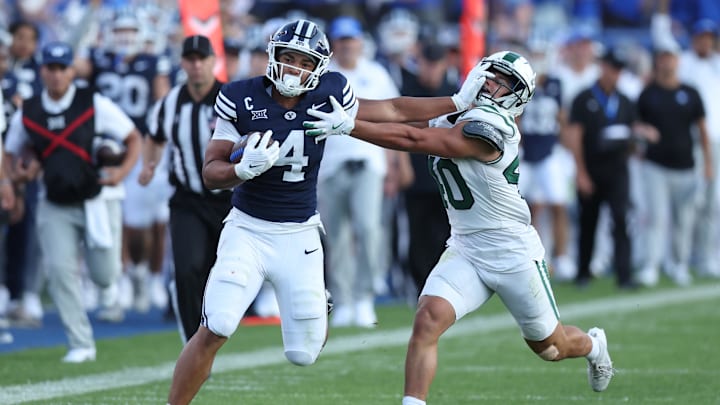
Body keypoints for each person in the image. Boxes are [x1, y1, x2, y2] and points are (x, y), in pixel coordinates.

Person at [166, 18, 488, 404]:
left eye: (304, 62)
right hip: (248, 229)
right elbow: (211, 172)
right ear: (273, 57)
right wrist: (240, 169)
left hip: (299, 233)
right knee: (216, 325)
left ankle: (321, 300)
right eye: (288, 58)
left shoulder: (329, 92)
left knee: (304, 353)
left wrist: (457, 102)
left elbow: (393, 108)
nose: (295, 69)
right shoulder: (240, 96)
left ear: (319, 66)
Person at [304, 50, 615, 404]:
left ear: (518, 97)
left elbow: (415, 140)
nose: (494, 85)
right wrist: (343, 106)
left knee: (550, 347)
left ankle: (593, 345)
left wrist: (349, 126)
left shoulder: (494, 127)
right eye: (493, 75)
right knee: (427, 320)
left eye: (505, 83)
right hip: (466, 246)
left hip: (511, 249)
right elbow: (396, 110)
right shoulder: (458, 108)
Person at [4, 42, 141, 362]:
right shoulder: (30, 109)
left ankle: (109, 289)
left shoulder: (92, 102)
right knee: (59, 270)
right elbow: (12, 150)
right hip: (55, 202)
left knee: (104, 274)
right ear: (42, 71)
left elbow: (132, 137)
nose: (56, 75)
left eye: (62, 68)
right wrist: (14, 179)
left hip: (96, 197)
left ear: (71, 71)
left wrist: (121, 172)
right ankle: (81, 342)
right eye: (50, 68)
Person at [76, 8, 172, 313]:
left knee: (137, 222)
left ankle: (138, 274)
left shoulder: (154, 62)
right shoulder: (97, 58)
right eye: (119, 31)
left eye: (131, 31)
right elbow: (73, 69)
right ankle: (109, 281)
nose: (125, 37)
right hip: (102, 149)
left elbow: (163, 102)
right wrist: (84, 29)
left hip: (139, 147)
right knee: (101, 218)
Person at [139, 35, 228, 344]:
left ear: (213, 61)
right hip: (187, 199)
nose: (197, 65)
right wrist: (149, 165)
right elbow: (154, 136)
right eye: (190, 59)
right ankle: (193, 344)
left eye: (202, 58)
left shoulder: (230, 98)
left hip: (229, 202)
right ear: (182, 63)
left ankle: (217, 328)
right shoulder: (171, 102)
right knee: (187, 269)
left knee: (224, 272)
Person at [317, 16, 401, 328]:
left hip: (368, 163)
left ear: (360, 43)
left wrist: (394, 164)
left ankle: (365, 295)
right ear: (334, 44)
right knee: (335, 235)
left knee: (368, 229)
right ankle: (344, 299)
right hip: (330, 165)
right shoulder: (324, 74)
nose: (347, 46)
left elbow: (393, 119)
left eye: (351, 40)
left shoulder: (376, 74)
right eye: (342, 41)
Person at [565, 48, 650, 289]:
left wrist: (638, 138)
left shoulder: (625, 101)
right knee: (588, 221)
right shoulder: (583, 98)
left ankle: (624, 275)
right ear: (603, 67)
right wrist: (580, 172)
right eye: (612, 68)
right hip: (591, 167)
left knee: (621, 219)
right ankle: (583, 272)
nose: (615, 73)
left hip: (617, 168)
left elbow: (633, 134)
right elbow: (575, 136)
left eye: (619, 69)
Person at [634, 40, 712, 287]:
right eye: (663, 57)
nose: (666, 62)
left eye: (671, 57)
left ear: (678, 61)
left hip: (685, 166)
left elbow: (701, 129)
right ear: (658, 61)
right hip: (655, 165)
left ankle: (680, 264)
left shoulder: (690, 92)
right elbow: (635, 124)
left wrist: (708, 163)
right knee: (655, 217)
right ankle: (651, 265)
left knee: (684, 220)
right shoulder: (648, 93)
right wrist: (642, 133)